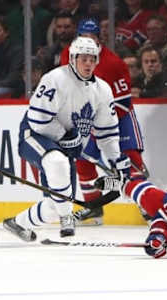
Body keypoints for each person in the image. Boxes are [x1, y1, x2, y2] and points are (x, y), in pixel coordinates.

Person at [3, 36, 126, 241]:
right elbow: (38, 120)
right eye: (83, 58)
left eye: (92, 59)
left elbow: (108, 133)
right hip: (34, 135)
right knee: (57, 163)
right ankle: (66, 216)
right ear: (72, 58)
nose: (88, 63)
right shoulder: (55, 79)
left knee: (54, 204)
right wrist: (67, 136)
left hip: (64, 144)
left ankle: (17, 223)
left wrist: (116, 161)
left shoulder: (103, 90)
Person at [60, 18, 148, 225]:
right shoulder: (68, 55)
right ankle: (93, 207)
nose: (86, 43)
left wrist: (100, 126)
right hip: (87, 118)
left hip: (119, 118)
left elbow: (123, 103)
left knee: (130, 160)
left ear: (99, 39)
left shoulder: (113, 63)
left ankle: (147, 205)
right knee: (82, 161)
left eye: (90, 38)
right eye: (82, 38)